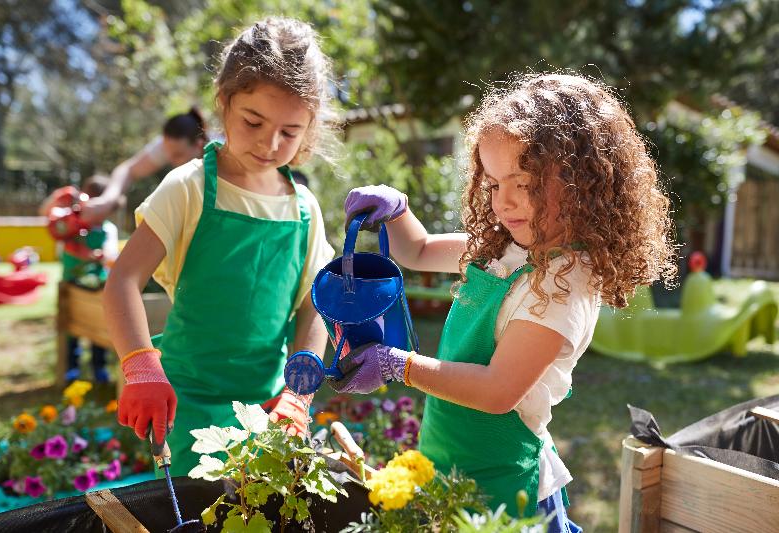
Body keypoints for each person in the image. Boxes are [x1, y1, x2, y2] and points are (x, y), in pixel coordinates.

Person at [330, 73, 677, 531]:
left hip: (508, 489)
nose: (504, 203)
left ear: (581, 182)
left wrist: (399, 365)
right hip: (448, 460)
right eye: (493, 185)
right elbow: (416, 251)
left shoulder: (564, 283)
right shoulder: (503, 250)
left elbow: (497, 391)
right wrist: (398, 210)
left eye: (524, 183)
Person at [104, 17, 336, 475]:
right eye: (254, 121)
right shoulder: (187, 187)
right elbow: (123, 282)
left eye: (290, 132)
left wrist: (300, 391)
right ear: (225, 103)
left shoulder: (304, 208)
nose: (271, 143)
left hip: (271, 409)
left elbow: (314, 308)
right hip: (185, 403)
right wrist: (142, 369)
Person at [41, 175, 120, 383]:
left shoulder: (107, 229)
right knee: (70, 328)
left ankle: (99, 367)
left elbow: (110, 255)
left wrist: (102, 257)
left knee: (99, 327)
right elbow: (45, 214)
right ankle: (71, 369)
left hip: (97, 287)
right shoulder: (69, 222)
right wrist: (59, 196)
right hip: (71, 284)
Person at [80, 108, 208, 224]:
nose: (171, 161)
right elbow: (128, 170)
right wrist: (107, 201)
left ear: (199, 145)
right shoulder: (169, 146)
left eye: (178, 155)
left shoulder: (220, 150)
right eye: (167, 154)